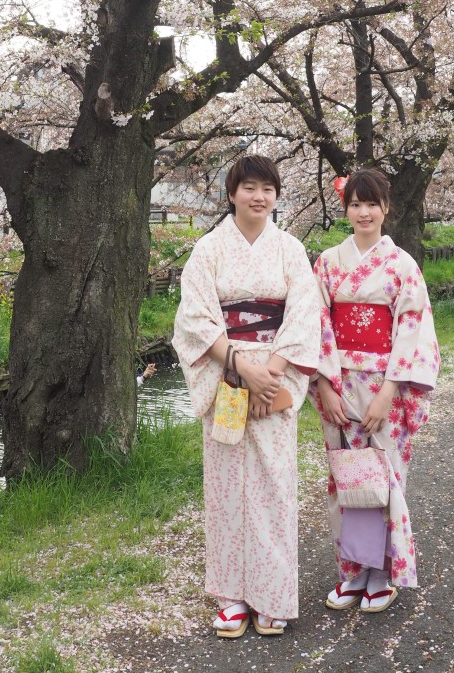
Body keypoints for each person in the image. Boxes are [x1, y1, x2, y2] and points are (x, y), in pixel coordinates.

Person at [172, 155, 321, 638]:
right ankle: (232, 597)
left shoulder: (290, 249)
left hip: (275, 375)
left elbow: (303, 314)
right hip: (227, 373)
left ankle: (273, 595)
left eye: (268, 189)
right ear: (232, 192)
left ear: (277, 197)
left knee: (275, 488)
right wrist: (241, 369)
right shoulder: (209, 249)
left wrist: (270, 374)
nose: (259, 197)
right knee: (226, 488)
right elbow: (195, 319)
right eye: (249, 187)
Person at [310, 168, 439, 613]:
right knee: (346, 476)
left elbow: (412, 330)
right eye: (355, 204)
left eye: (372, 203)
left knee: (384, 477)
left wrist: (389, 392)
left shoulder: (402, 265)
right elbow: (318, 326)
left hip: (387, 386)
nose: (363, 212)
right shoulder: (327, 262)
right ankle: (352, 570)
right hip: (340, 384)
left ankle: (382, 572)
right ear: (345, 209)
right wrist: (325, 385)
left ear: (386, 207)